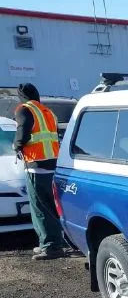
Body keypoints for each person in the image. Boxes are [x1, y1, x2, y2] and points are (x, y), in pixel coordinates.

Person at [13, 83, 64, 260]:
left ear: (22, 96)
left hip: (37, 166)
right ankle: (54, 242)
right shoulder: (47, 111)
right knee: (53, 207)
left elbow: (23, 132)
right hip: (53, 165)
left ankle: (51, 247)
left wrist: (16, 145)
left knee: (40, 208)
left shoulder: (24, 109)